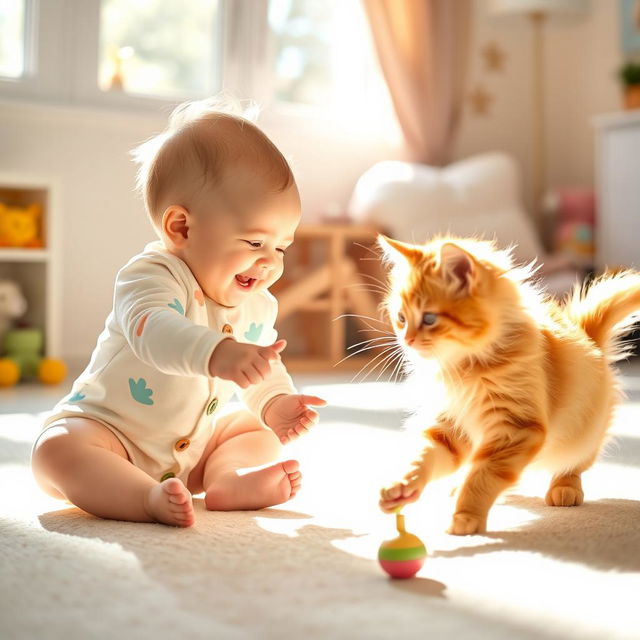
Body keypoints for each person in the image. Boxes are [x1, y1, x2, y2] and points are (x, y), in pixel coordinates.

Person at [31, 99, 326, 527]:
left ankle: (227, 478)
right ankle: (142, 498)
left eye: (281, 247)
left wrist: (275, 403)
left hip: (194, 451)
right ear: (181, 228)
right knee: (55, 451)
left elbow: (262, 364)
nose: (270, 263)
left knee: (254, 429)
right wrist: (218, 352)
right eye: (254, 242)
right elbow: (155, 332)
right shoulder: (151, 277)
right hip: (110, 437)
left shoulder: (257, 304)